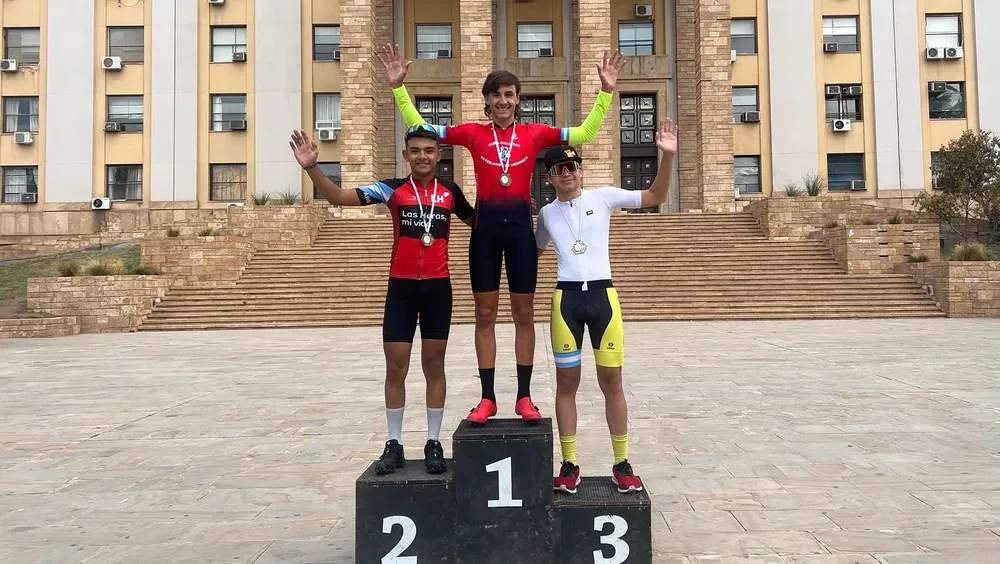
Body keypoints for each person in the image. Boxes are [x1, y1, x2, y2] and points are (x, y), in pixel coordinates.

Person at [377, 43, 627, 425]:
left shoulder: (536, 133)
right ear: (487, 101)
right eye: (496, 95)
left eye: (509, 94)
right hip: (486, 231)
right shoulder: (474, 134)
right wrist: (398, 88)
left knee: (524, 314)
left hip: (521, 233)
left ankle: (524, 397)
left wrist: (607, 91)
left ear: (518, 99)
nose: (503, 100)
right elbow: (423, 129)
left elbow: (587, 131)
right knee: (485, 314)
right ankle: (488, 397)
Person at [289, 125, 475, 475]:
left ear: (439, 156)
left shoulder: (450, 192)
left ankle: (433, 441)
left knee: (434, 366)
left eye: (429, 150)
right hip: (401, 290)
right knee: (396, 367)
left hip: (438, 289)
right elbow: (338, 198)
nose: (422, 156)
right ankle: (394, 443)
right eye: (415, 150)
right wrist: (312, 167)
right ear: (406, 155)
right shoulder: (391, 189)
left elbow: (478, 223)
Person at [534, 118, 677, 494]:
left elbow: (656, 196)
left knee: (611, 382)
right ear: (549, 177)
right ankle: (569, 463)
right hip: (565, 300)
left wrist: (668, 157)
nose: (567, 173)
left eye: (572, 166)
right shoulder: (547, 214)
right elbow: (534, 247)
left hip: (603, 298)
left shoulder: (604, 197)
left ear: (580, 169)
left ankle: (622, 461)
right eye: (558, 169)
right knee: (567, 384)